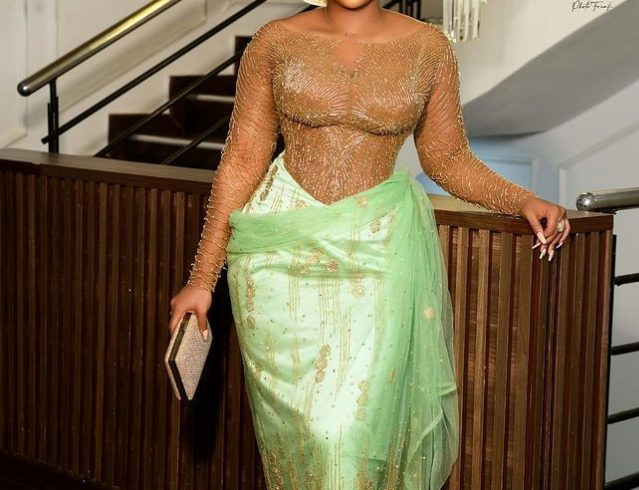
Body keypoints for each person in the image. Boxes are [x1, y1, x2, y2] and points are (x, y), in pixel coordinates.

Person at [169, 1, 570, 488]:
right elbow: (242, 159)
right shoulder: (273, 41)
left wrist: (521, 199)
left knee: (347, 433)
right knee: (304, 440)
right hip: (277, 260)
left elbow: (446, 158)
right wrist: (202, 279)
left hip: (379, 255)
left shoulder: (429, 48)